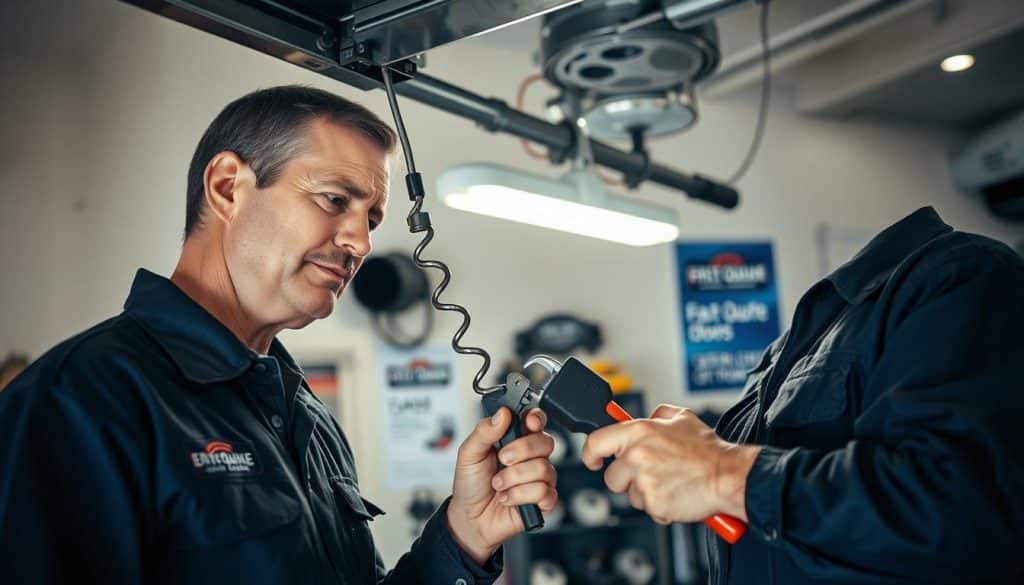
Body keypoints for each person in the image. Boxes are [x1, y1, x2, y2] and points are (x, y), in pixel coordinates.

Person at [0, 86, 557, 584]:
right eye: (335, 200)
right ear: (227, 187)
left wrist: (463, 536)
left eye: (373, 219)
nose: (360, 243)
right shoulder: (78, 401)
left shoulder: (305, 416)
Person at [582, 206, 1024, 584]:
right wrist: (691, 460)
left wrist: (721, 472)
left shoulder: (959, 274)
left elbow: (962, 515)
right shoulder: (782, 353)